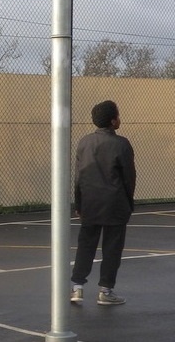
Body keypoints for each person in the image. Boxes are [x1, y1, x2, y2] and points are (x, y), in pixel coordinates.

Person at [70, 100, 136, 306]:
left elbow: (78, 177)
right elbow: (129, 177)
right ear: (112, 120)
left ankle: (77, 288)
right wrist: (129, 202)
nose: (119, 119)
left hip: (90, 203)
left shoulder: (84, 142)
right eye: (118, 115)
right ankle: (105, 291)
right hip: (115, 204)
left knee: (85, 245)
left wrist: (78, 203)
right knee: (112, 248)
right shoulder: (121, 144)